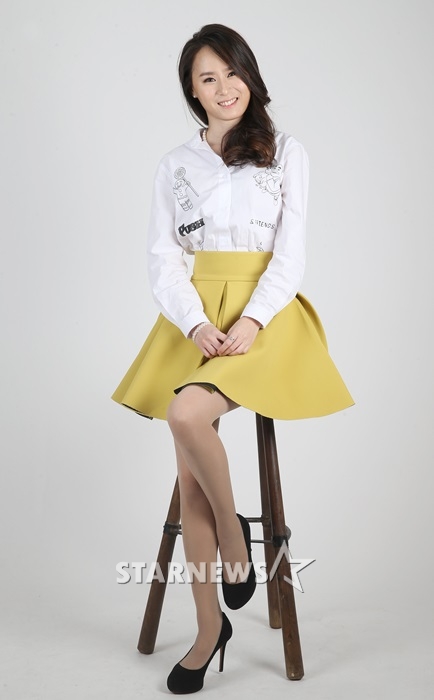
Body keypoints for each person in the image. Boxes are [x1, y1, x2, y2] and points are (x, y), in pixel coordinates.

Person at [112, 23, 354, 694]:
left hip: (265, 318)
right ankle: (207, 627)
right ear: (192, 91)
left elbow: (291, 254)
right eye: (207, 78)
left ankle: (232, 533)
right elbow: (163, 258)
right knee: (188, 469)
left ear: (251, 74)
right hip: (195, 319)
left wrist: (251, 319)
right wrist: (194, 322)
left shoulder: (285, 152)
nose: (224, 88)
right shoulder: (175, 165)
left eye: (232, 72)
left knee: (186, 417)